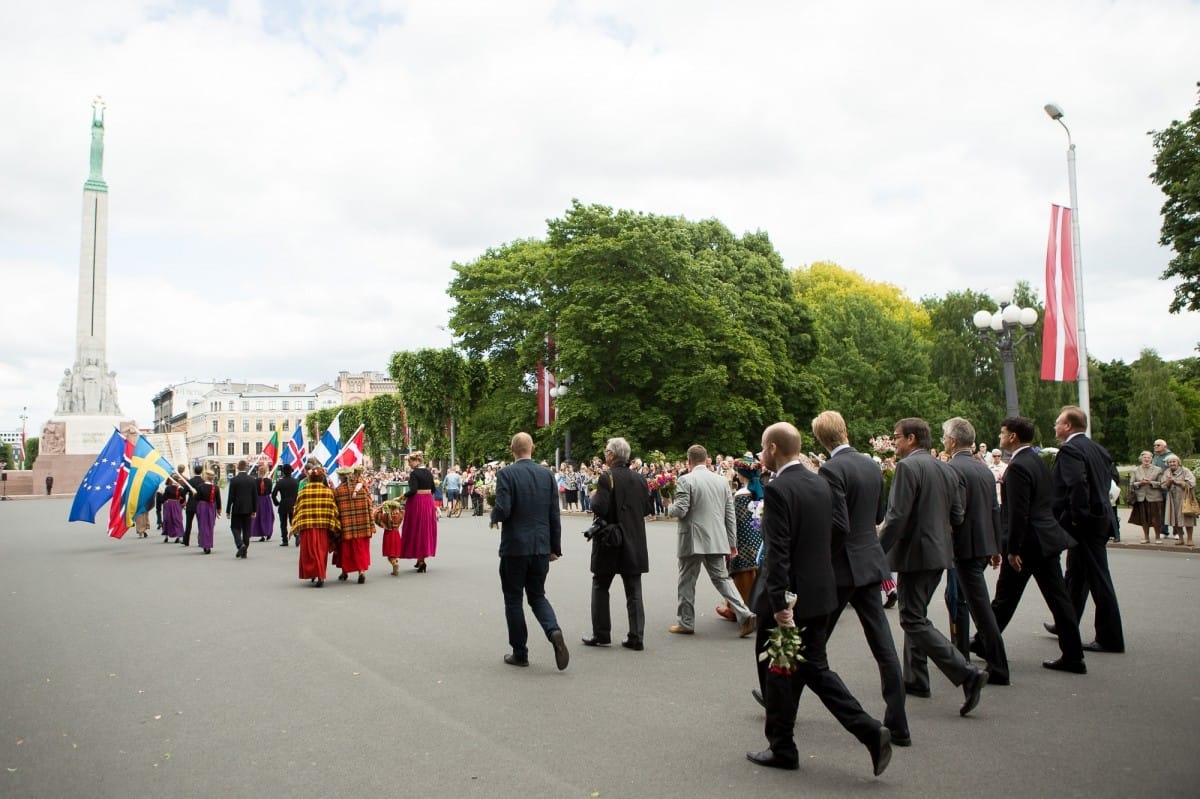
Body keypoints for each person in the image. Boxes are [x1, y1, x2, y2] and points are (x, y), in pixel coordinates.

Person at [745, 422, 892, 777]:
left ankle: (785, 746)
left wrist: (779, 602)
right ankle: (863, 732)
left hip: (790, 598)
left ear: (774, 448)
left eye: (764, 448)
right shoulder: (820, 481)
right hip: (822, 589)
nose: (762, 454)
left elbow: (778, 552)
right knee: (811, 666)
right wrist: (818, 562)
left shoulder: (779, 489)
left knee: (781, 668)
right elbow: (841, 528)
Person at [808, 410, 909, 747]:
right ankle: (899, 720)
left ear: (821, 440)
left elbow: (838, 525)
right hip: (870, 561)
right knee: (883, 644)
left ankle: (781, 701)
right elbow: (879, 515)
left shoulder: (831, 470)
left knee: (813, 643)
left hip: (842, 567)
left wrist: (822, 557)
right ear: (846, 430)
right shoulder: (870, 465)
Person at [878, 418, 986, 717]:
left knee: (912, 618)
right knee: (917, 614)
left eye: (897, 437)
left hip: (915, 554)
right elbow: (958, 514)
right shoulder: (946, 468)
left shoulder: (907, 468)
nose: (895, 442)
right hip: (939, 553)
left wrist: (877, 552)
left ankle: (965, 672)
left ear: (911, 439)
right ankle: (915, 678)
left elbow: (897, 516)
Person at [978, 417, 1085, 674]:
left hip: (1027, 543)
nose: (1000, 436)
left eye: (1003, 432)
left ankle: (985, 642)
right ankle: (1073, 654)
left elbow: (1017, 512)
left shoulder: (1016, 467)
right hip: (1045, 538)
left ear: (1012, 436)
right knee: (1056, 598)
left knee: (1005, 597)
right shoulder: (1037, 460)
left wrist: (1012, 548)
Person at [1048, 406, 1125, 653]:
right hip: (1098, 520)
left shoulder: (1071, 449)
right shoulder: (1096, 448)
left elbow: (1076, 485)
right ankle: (1066, 622)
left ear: (1068, 426)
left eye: (1058, 422)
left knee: (1098, 579)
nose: (1055, 426)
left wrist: (1076, 519)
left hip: (1085, 524)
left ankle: (1110, 637)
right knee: (1076, 575)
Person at [489, 432, 570, 670]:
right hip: (541, 547)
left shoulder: (506, 474)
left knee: (513, 600)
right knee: (537, 595)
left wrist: (493, 512)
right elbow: (554, 513)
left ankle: (520, 653)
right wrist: (555, 548)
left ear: (511, 449)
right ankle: (553, 631)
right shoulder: (547, 475)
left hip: (515, 547)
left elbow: (503, 511)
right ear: (532, 448)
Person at [942, 418, 1010, 686]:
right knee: (958, 599)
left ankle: (995, 665)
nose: (943, 441)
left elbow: (955, 513)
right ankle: (961, 654)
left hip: (964, 547)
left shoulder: (953, 469)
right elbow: (994, 509)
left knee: (976, 606)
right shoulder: (982, 468)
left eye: (945, 437)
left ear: (953, 441)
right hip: (981, 544)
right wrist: (994, 547)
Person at [666, 444, 757, 638]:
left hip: (691, 539)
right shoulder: (722, 481)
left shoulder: (685, 480)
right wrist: (732, 542)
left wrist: (668, 506)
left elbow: (681, 509)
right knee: (722, 579)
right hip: (716, 538)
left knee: (687, 581)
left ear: (689, 461)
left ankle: (686, 622)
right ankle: (744, 613)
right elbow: (729, 514)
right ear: (707, 460)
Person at [582, 437, 650, 651]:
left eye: (606, 452)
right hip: (634, 538)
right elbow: (647, 509)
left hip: (610, 539)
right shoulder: (640, 479)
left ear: (612, 455)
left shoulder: (606, 477)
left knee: (601, 585)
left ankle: (601, 633)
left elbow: (600, 508)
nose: (604, 455)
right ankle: (636, 636)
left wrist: (593, 496)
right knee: (634, 590)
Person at [717, 456, 764, 623]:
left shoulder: (741, 495)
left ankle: (738, 609)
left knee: (742, 575)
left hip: (744, 542)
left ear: (742, 474)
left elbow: (733, 520)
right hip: (759, 542)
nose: (736, 475)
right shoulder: (760, 491)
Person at [292, 467, 339, 587]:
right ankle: (320, 574)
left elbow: (297, 508)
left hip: (307, 526)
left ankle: (314, 573)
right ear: (322, 478)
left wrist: (295, 524)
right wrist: (334, 524)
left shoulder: (303, 491)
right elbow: (333, 509)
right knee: (321, 551)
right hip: (322, 526)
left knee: (309, 551)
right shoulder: (327, 492)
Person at [333, 466, 374, 583]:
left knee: (346, 551)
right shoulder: (362, 490)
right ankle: (361, 571)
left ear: (342, 477)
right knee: (360, 549)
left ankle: (344, 572)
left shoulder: (338, 491)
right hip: (362, 526)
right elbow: (369, 505)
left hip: (346, 527)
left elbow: (335, 510)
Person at [400, 452, 438, 572]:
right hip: (428, 502)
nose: (409, 464)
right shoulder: (428, 472)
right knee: (425, 529)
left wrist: (402, 496)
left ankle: (421, 561)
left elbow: (413, 490)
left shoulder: (414, 473)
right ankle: (420, 558)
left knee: (416, 529)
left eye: (410, 462)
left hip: (417, 502)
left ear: (416, 461)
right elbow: (433, 489)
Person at [1161, 455, 1197, 547]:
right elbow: (1163, 486)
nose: (1172, 463)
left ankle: (1189, 539)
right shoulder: (1167, 472)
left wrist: (1177, 481)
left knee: (1187, 518)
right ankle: (1180, 538)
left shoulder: (1185, 471)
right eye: (1170, 462)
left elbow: (1192, 483)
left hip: (1185, 498)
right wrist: (1169, 482)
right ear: (1167, 464)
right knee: (1175, 519)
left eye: (1174, 461)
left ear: (1178, 462)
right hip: (1172, 499)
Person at [225, 460, 257, 559]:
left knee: (235, 527)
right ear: (246, 468)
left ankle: (240, 544)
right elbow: (254, 496)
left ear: (238, 468)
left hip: (237, 507)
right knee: (246, 529)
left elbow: (231, 496)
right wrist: (254, 510)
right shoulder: (252, 480)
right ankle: (245, 550)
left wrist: (228, 510)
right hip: (248, 508)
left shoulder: (234, 480)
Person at [194, 470, 221, 554]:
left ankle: (204, 544)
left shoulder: (200, 486)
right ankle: (208, 544)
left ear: (205, 476)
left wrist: (194, 494)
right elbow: (218, 500)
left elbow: (197, 498)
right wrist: (219, 509)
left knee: (203, 526)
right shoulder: (215, 487)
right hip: (212, 507)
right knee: (210, 526)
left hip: (202, 507)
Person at [373, 500, 404, 575]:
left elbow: (375, 516)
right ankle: (395, 565)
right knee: (395, 553)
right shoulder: (399, 514)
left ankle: (394, 563)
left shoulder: (385, 516)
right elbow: (402, 512)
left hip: (388, 535)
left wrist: (382, 507)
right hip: (396, 534)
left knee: (390, 555)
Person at [1152, 439, 1174, 539]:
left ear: (1164, 446)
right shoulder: (1155, 457)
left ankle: (1177, 532)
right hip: (1158, 487)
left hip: (1169, 486)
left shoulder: (1170, 456)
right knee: (1161, 510)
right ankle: (1164, 531)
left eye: (1158, 445)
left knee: (1173, 509)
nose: (1155, 447)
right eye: (1155, 445)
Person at [273, 465, 299, 546]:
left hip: (283, 503)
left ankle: (285, 540)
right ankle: (296, 535)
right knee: (293, 521)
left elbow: (273, 494)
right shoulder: (296, 482)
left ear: (283, 472)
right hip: (293, 504)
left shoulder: (280, 482)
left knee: (283, 523)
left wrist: (277, 503)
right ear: (291, 471)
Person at [161, 467, 187, 544]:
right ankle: (178, 535)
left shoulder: (168, 488)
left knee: (167, 519)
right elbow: (183, 496)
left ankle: (166, 535)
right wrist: (182, 502)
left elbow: (164, 497)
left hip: (168, 504)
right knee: (177, 519)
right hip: (176, 504)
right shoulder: (179, 489)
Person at [250, 464, 275, 542]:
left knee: (259, 517)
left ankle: (261, 534)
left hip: (258, 499)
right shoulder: (269, 481)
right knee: (267, 516)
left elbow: (253, 492)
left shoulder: (255, 481)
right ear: (266, 472)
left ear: (259, 472)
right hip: (266, 499)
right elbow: (270, 491)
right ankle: (268, 532)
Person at [183, 464, 205, 548]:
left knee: (188, 523)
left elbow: (183, 493)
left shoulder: (190, 482)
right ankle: (201, 540)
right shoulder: (203, 481)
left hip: (191, 504)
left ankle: (186, 540)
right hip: (200, 505)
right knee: (200, 524)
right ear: (201, 471)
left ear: (194, 471)